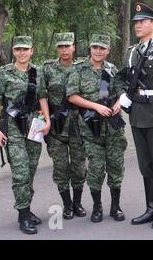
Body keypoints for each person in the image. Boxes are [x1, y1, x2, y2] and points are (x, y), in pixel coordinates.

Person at [117, 2, 153, 229]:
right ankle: (150, 207)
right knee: (146, 164)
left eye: (142, 22)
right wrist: (122, 94)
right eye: (136, 22)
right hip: (138, 113)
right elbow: (121, 78)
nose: (138, 26)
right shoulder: (132, 52)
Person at [0, 36, 51, 234]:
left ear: (32, 51)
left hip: (34, 125)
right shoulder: (5, 72)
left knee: (31, 168)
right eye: (18, 50)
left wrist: (47, 120)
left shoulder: (37, 72)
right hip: (13, 126)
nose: (22, 53)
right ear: (14, 52)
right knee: (21, 171)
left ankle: (27, 207)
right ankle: (23, 215)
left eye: (25, 49)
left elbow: (42, 96)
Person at [67, 34, 128, 223]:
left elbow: (121, 90)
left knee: (116, 166)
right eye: (95, 47)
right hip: (90, 128)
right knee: (95, 169)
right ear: (90, 48)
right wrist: (96, 106)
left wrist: (119, 102)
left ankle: (115, 206)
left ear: (108, 50)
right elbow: (71, 96)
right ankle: (97, 206)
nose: (98, 51)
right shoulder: (79, 69)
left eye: (102, 48)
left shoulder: (112, 70)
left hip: (112, 127)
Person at [43, 32, 87, 220]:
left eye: (67, 46)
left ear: (73, 47)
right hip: (56, 127)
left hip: (78, 125)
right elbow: (41, 95)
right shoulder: (47, 69)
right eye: (60, 46)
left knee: (79, 167)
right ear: (57, 49)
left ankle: (77, 203)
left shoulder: (82, 68)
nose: (64, 50)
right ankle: (67, 204)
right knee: (60, 167)